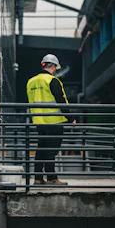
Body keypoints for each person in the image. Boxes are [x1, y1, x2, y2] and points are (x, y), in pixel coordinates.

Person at [26, 54, 76, 185]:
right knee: (51, 150)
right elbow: (61, 100)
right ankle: (52, 178)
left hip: (39, 122)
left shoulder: (31, 81)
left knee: (41, 149)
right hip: (54, 121)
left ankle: (37, 178)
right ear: (53, 66)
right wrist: (71, 118)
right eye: (56, 68)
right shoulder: (53, 81)